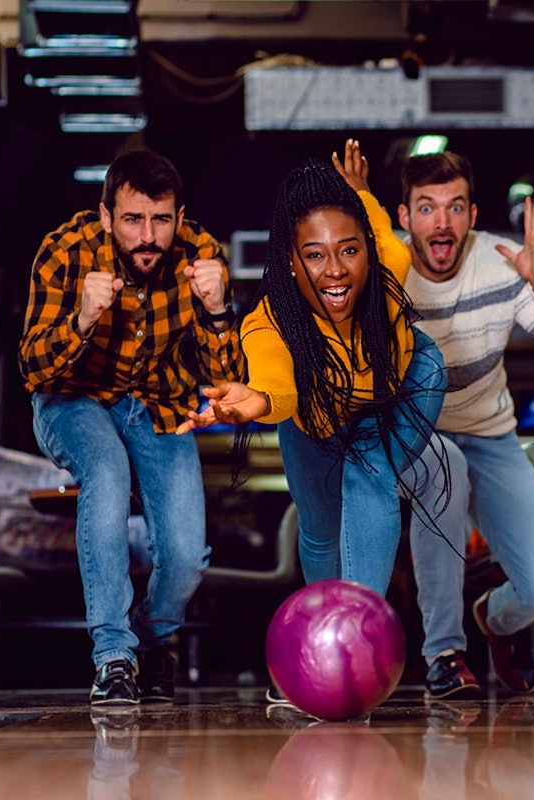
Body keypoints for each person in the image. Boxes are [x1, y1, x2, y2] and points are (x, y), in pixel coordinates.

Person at [19, 149, 244, 705]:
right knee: (106, 470)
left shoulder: (202, 255)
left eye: (162, 220)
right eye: (133, 220)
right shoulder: (63, 251)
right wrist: (82, 321)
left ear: (180, 216)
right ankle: (114, 656)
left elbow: (229, 385)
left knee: (189, 554)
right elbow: (33, 369)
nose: (148, 236)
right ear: (104, 216)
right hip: (73, 400)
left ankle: (149, 642)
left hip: (158, 407)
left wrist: (218, 313)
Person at [178, 139, 446, 600]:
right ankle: (324, 631)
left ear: (367, 250)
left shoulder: (390, 261)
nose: (336, 270)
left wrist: (361, 190)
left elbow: (376, 224)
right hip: (314, 419)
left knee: (371, 472)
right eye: (316, 255)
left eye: (348, 251)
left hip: (398, 389)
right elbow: (275, 382)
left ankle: (359, 625)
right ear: (291, 261)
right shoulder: (270, 321)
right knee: (319, 529)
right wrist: (258, 400)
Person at [397, 151, 534, 698]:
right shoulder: (386, 273)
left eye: (454, 208)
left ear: (472, 215)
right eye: (426, 208)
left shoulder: (504, 261)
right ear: (404, 218)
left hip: (491, 434)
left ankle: (489, 618)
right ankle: (444, 654)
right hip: (418, 435)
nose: (441, 222)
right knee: (442, 466)